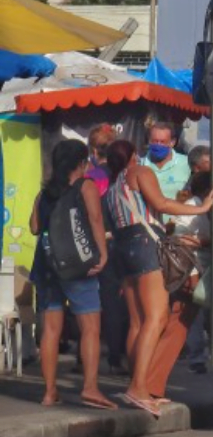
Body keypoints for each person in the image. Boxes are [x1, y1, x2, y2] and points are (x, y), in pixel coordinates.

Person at [104, 139, 213, 417]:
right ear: (131, 156)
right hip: (144, 247)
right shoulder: (140, 173)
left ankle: (135, 382)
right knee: (158, 318)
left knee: (138, 322)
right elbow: (161, 202)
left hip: (122, 248)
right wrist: (201, 209)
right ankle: (139, 388)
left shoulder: (112, 188)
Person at [29, 139, 116, 410]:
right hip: (79, 268)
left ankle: (49, 392)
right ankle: (90, 388)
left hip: (46, 267)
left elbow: (33, 227)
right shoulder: (85, 186)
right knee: (90, 328)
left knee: (51, 331)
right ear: (81, 162)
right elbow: (95, 220)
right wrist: (102, 254)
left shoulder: (44, 193)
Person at [146, 170, 213, 396]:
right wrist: (205, 240)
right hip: (190, 274)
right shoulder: (195, 208)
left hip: (194, 274)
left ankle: (151, 383)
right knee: (177, 326)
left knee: (176, 326)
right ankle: (151, 384)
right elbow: (180, 239)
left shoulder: (200, 207)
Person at [78, 123, 129, 377]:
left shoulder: (93, 177)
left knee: (84, 300)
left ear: (93, 149)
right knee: (114, 303)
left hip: (91, 242)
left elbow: (90, 214)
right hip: (118, 241)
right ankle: (115, 357)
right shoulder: (123, 175)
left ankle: (82, 356)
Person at [140, 123, 190, 204]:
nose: (158, 145)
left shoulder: (187, 163)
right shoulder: (140, 164)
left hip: (177, 215)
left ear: (172, 142)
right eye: (154, 141)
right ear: (149, 140)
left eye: (163, 142)